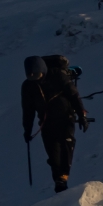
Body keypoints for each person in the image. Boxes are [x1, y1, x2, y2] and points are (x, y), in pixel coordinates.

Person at [21, 55, 89, 192]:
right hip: (46, 122)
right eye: (32, 77)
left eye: (38, 75)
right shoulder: (27, 86)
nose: (36, 79)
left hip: (66, 117)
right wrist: (27, 130)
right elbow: (28, 111)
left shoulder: (57, 76)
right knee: (53, 153)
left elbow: (73, 95)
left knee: (66, 145)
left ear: (43, 70)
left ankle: (62, 179)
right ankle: (59, 180)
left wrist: (82, 115)